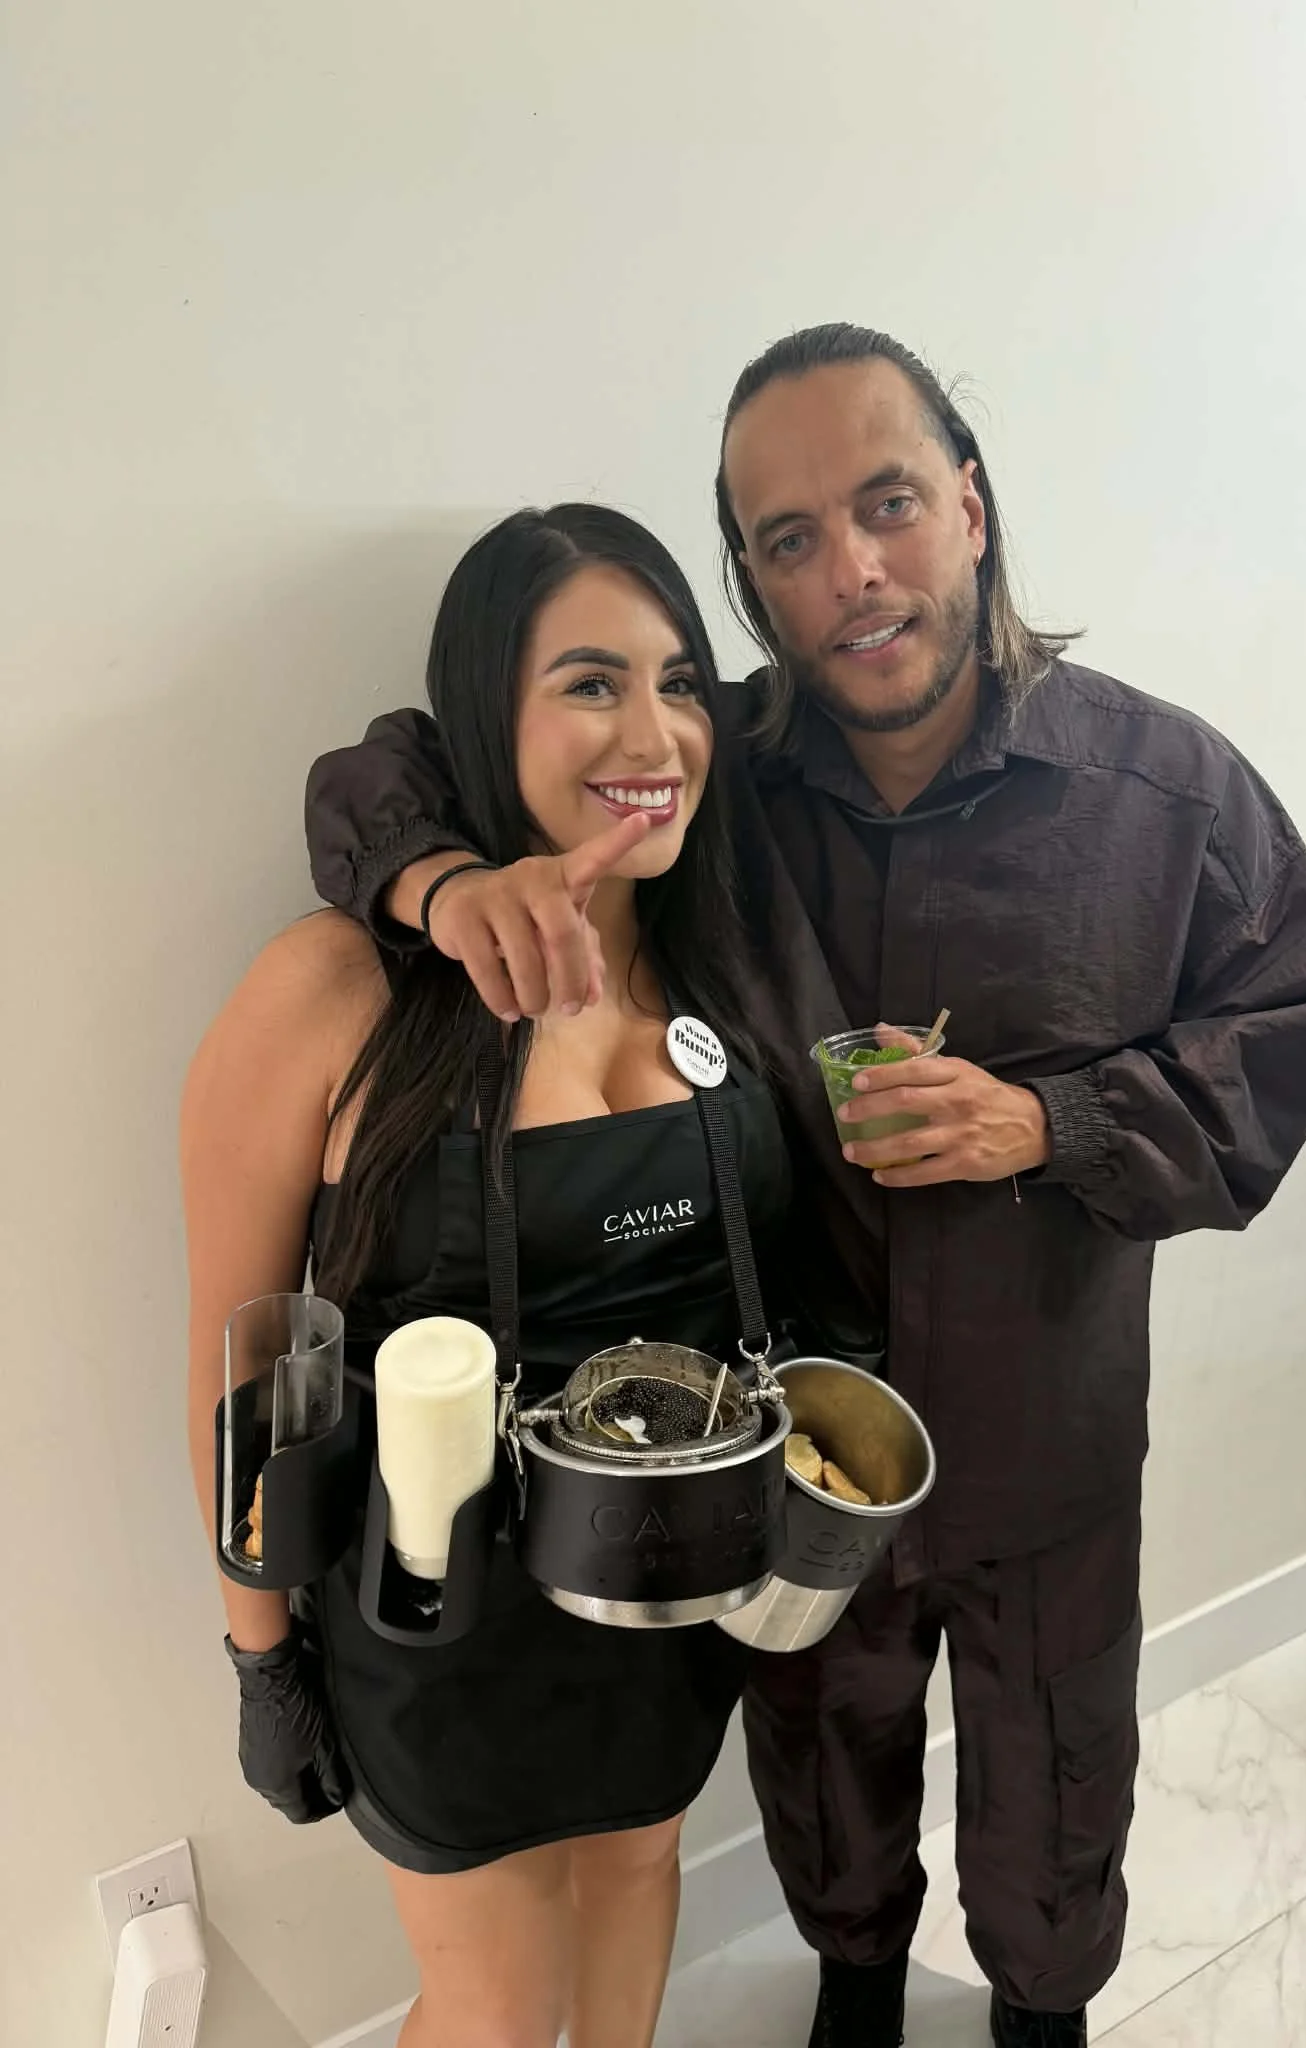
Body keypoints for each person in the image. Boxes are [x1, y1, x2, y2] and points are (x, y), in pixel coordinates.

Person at [301, 325, 1306, 2048]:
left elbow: (1297, 1003)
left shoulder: (1155, 787)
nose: (851, 570)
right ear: (746, 579)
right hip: (797, 1441)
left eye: (885, 504)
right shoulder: (711, 774)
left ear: (967, 503)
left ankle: (1042, 2016)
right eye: (787, 540)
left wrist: (1056, 1126)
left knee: (1055, 1774)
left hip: (1047, 1433)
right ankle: (853, 1993)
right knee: (823, 1770)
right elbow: (394, 765)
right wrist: (434, 881)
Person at [182, 505, 803, 2048]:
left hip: (667, 1596)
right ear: (484, 714)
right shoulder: (334, 989)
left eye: (678, 682)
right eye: (590, 682)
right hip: (436, 1631)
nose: (652, 729)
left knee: (643, 1876)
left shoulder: (717, 956)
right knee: (494, 2008)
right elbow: (236, 1366)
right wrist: (260, 1654)